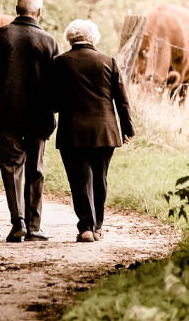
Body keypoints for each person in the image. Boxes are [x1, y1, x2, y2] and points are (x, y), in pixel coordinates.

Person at [0, 0, 59, 242]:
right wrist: (54, 113)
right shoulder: (48, 41)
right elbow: (56, 85)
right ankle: (35, 227)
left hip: (6, 115)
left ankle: (18, 223)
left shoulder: (0, 37)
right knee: (35, 169)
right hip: (39, 117)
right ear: (39, 13)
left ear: (16, 8)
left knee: (11, 167)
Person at [52, 19, 134, 242]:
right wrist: (127, 128)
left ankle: (86, 227)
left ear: (70, 38)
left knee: (79, 179)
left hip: (72, 131)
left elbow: (52, 101)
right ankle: (98, 227)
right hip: (105, 131)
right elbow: (122, 101)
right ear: (93, 38)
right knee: (100, 178)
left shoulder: (60, 63)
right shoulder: (109, 62)